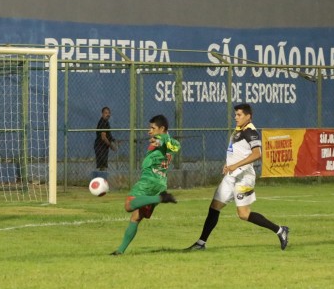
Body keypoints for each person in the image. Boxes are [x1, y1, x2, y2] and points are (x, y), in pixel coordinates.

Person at [186, 103, 289, 251]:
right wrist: (229, 165)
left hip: (244, 177)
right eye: (235, 115)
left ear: (248, 116)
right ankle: (201, 243)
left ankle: (280, 230)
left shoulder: (250, 132)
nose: (236, 117)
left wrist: (235, 166)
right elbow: (236, 151)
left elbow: (257, 154)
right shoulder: (239, 130)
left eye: (239, 115)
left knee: (243, 214)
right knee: (214, 207)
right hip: (231, 175)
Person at [111, 114, 180, 255]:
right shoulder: (167, 141)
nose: (150, 131)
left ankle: (161, 198)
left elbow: (173, 144)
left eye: (153, 128)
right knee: (136, 216)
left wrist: (160, 140)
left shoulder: (163, 139)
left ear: (162, 128)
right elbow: (172, 145)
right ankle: (119, 251)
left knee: (129, 205)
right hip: (160, 184)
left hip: (149, 181)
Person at [94, 106, 117, 171]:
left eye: (109, 113)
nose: (108, 114)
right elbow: (103, 137)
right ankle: (101, 179)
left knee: (103, 166)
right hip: (100, 147)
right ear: (102, 114)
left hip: (104, 147)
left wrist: (113, 140)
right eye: (106, 113)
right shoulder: (102, 122)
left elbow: (108, 135)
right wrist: (111, 145)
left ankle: (102, 179)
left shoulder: (106, 122)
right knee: (102, 166)